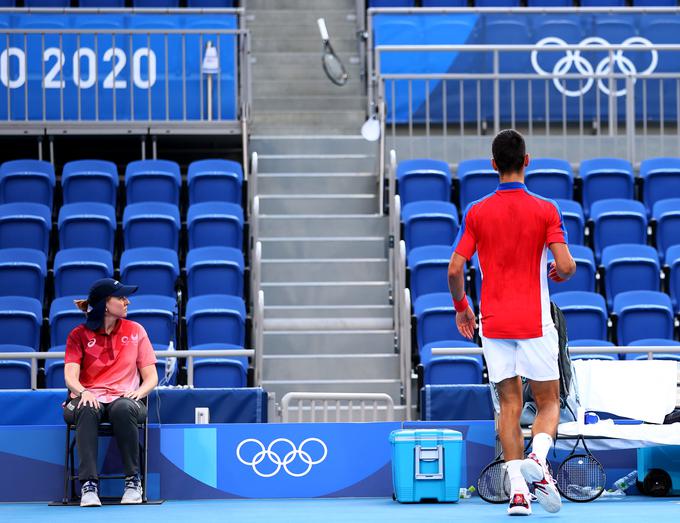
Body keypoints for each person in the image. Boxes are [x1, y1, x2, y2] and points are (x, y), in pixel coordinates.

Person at [448, 130, 576, 516]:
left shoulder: (476, 211)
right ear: (527, 160)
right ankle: (538, 458)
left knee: (507, 404)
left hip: (494, 322)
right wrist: (559, 271)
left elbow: (455, 269)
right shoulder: (546, 209)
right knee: (548, 401)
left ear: (493, 165)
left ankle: (518, 493)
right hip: (536, 322)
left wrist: (462, 306)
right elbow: (567, 265)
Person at [63, 278, 158, 507]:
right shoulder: (78, 335)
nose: (127, 301)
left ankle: (133, 482)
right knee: (86, 407)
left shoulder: (136, 331)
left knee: (124, 408)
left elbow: (151, 377)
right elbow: (70, 377)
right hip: (88, 397)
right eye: (121, 297)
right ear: (106, 304)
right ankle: (89, 486)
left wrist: (139, 392)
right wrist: (83, 391)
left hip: (125, 399)